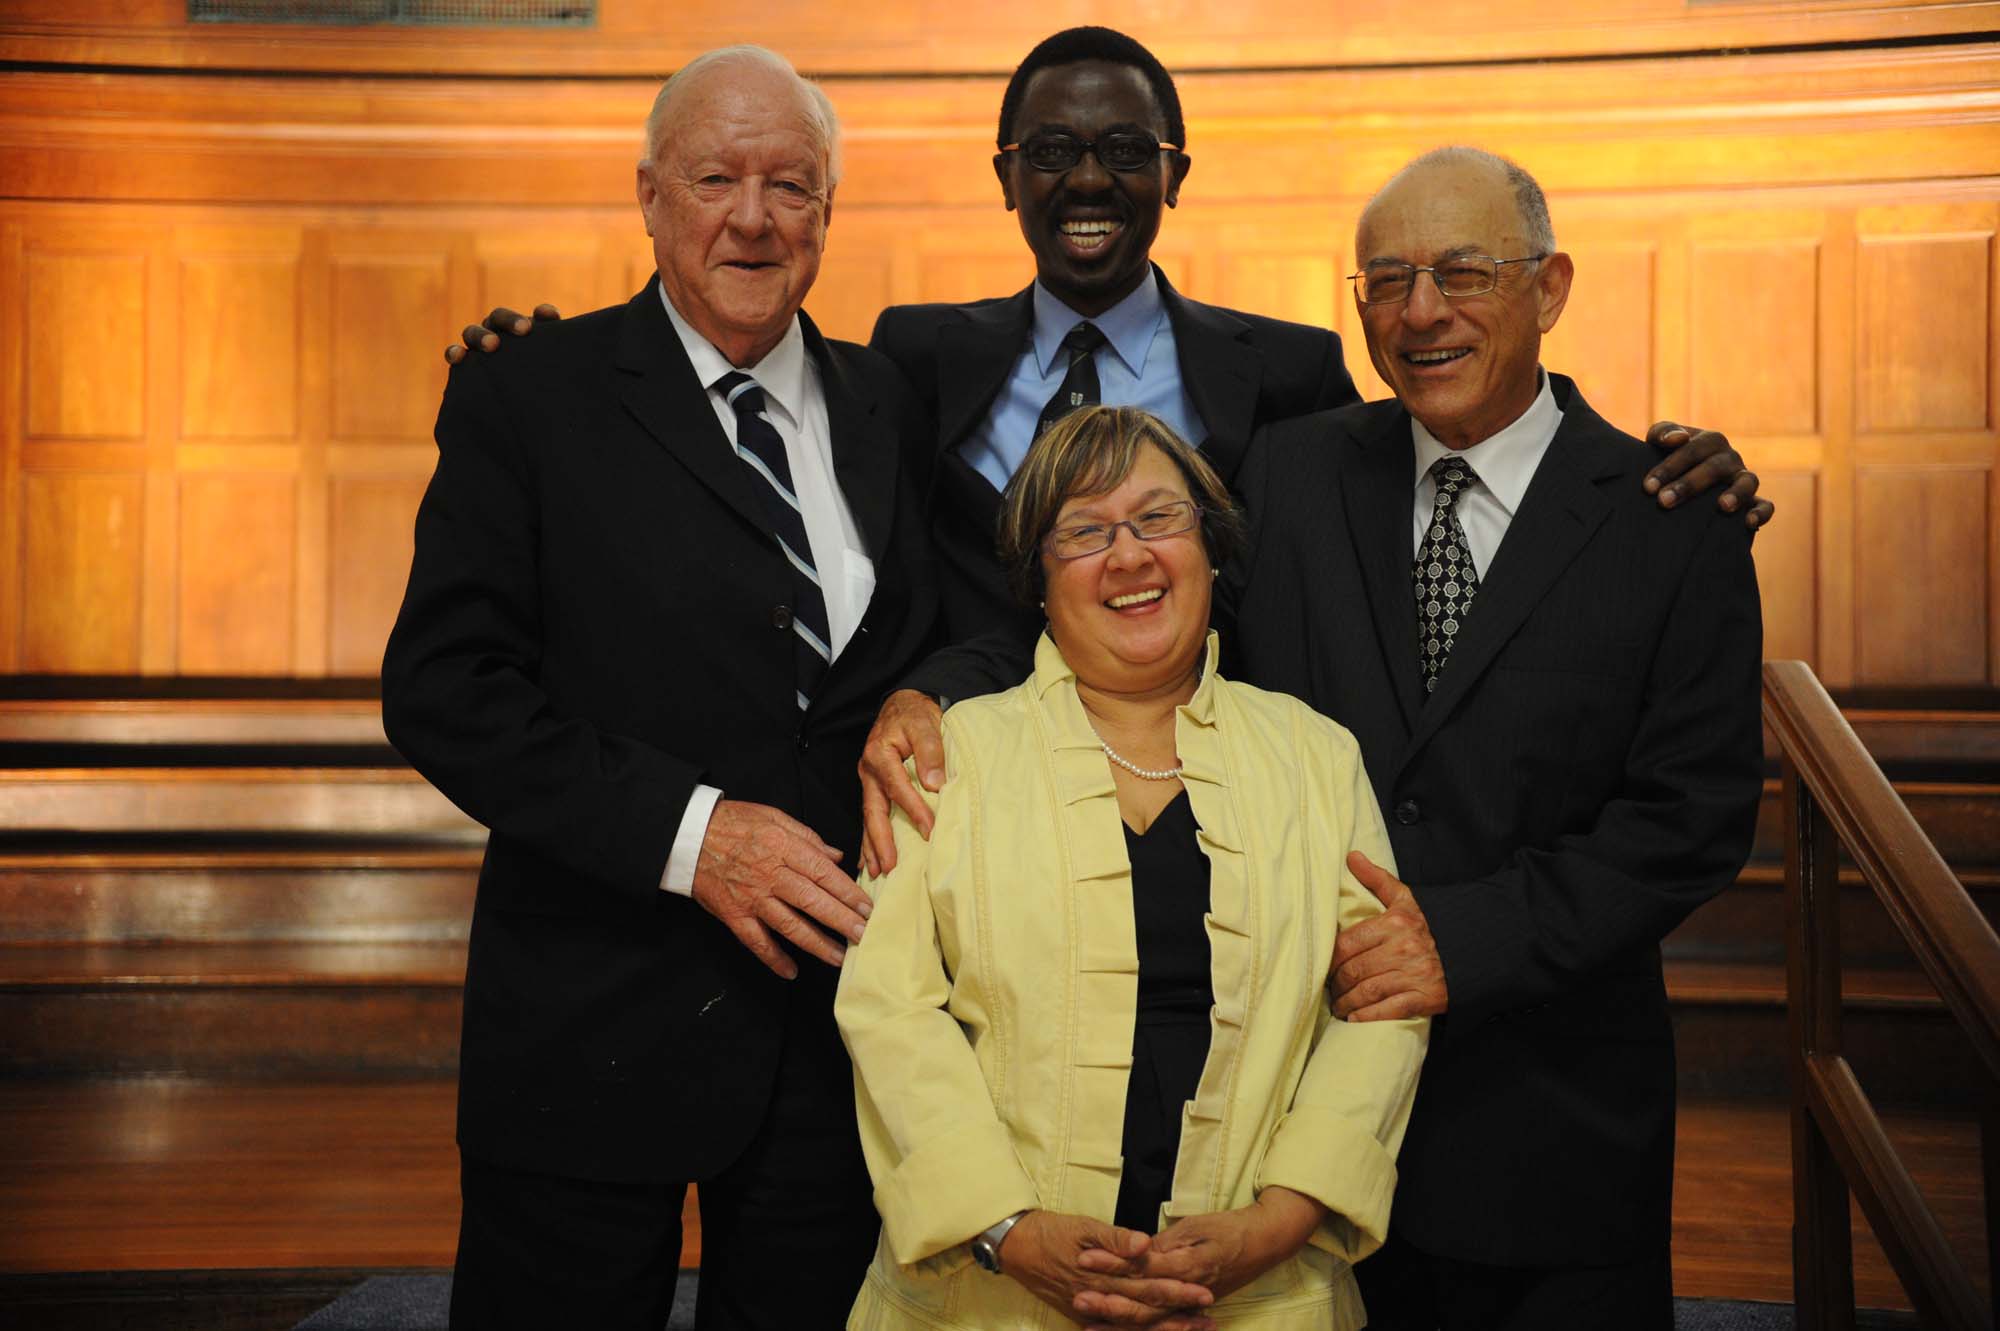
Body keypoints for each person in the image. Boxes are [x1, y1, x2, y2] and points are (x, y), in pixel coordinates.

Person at [868, 147, 1765, 1330]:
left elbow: (1688, 818)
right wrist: (926, 692)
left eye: (1459, 272)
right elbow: (1134, 603)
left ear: (1547, 288)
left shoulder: (1670, 514)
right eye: (1384, 280)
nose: (1419, 310)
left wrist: (1458, 933)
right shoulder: (1297, 469)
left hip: (1543, 1125)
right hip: (1269, 1150)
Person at [448, 27, 1771, 671]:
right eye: (1053, 153)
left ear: (1174, 178)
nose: (1090, 178)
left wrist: (1673, 461)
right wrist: (546, 358)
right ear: (1007, 179)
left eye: (1126, 151)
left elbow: (1464, 431)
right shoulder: (909, 360)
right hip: (964, 799)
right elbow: (735, 416)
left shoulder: (1300, 369)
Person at [379, 46, 939, 1330]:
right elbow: (444, 690)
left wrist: (928, 697)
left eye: (789, 184)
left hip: (837, 1035)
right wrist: (695, 838)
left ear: (828, 212)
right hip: (588, 1021)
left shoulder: (886, 404)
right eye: (714, 177)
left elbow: (932, 634)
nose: (753, 215)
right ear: (647, 196)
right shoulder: (528, 397)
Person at [835, 404, 1427, 1331]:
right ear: (1036, 580)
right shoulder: (947, 757)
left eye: (1160, 518)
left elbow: (1378, 1011)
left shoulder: (1316, 757)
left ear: (1211, 547)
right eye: (1083, 531)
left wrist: (1278, 1222)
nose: (1130, 556)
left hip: (1263, 1298)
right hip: (983, 1301)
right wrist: (1007, 1227)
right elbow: (887, 1007)